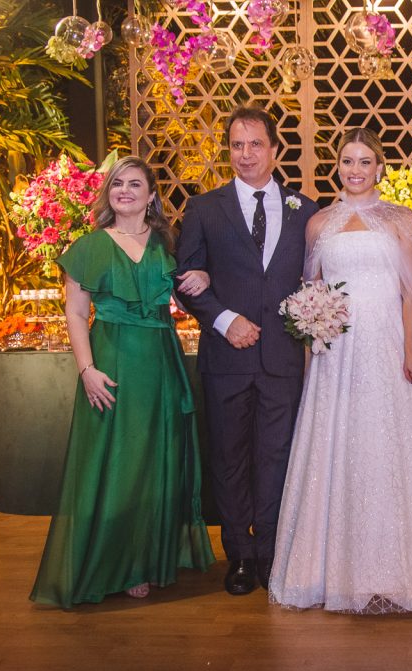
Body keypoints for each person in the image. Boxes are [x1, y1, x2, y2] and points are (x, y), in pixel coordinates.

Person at [269, 127, 412, 613]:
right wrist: (312, 328)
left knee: (387, 447)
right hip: (336, 355)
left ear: (379, 168)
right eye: (348, 161)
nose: (356, 170)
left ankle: (396, 573)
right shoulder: (319, 224)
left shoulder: (402, 219)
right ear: (337, 167)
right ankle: (331, 572)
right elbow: (312, 290)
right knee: (337, 449)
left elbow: (411, 293)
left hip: (385, 346)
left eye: (365, 161)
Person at [30, 156, 216, 608]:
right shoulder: (90, 247)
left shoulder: (167, 243)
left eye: (135, 184)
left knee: (154, 462)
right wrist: (87, 370)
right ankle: (110, 563)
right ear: (108, 193)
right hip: (110, 362)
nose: (125, 191)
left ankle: (146, 561)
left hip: (161, 363)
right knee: (116, 463)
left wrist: (203, 274)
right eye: (117, 184)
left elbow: (187, 288)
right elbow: (76, 313)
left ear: (151, 195)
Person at [174, 105, 318, 596]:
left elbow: (318, 278)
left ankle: (271, 553)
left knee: (276, 458)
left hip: (283, 360)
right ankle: (238, 553)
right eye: (237, 145)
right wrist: (224, 319)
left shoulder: (306, 210)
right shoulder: (203, 208)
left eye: (256, 144)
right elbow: (184, 279)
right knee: (229, 458)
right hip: (226, 359)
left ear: (275, 149)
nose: (246, 154)